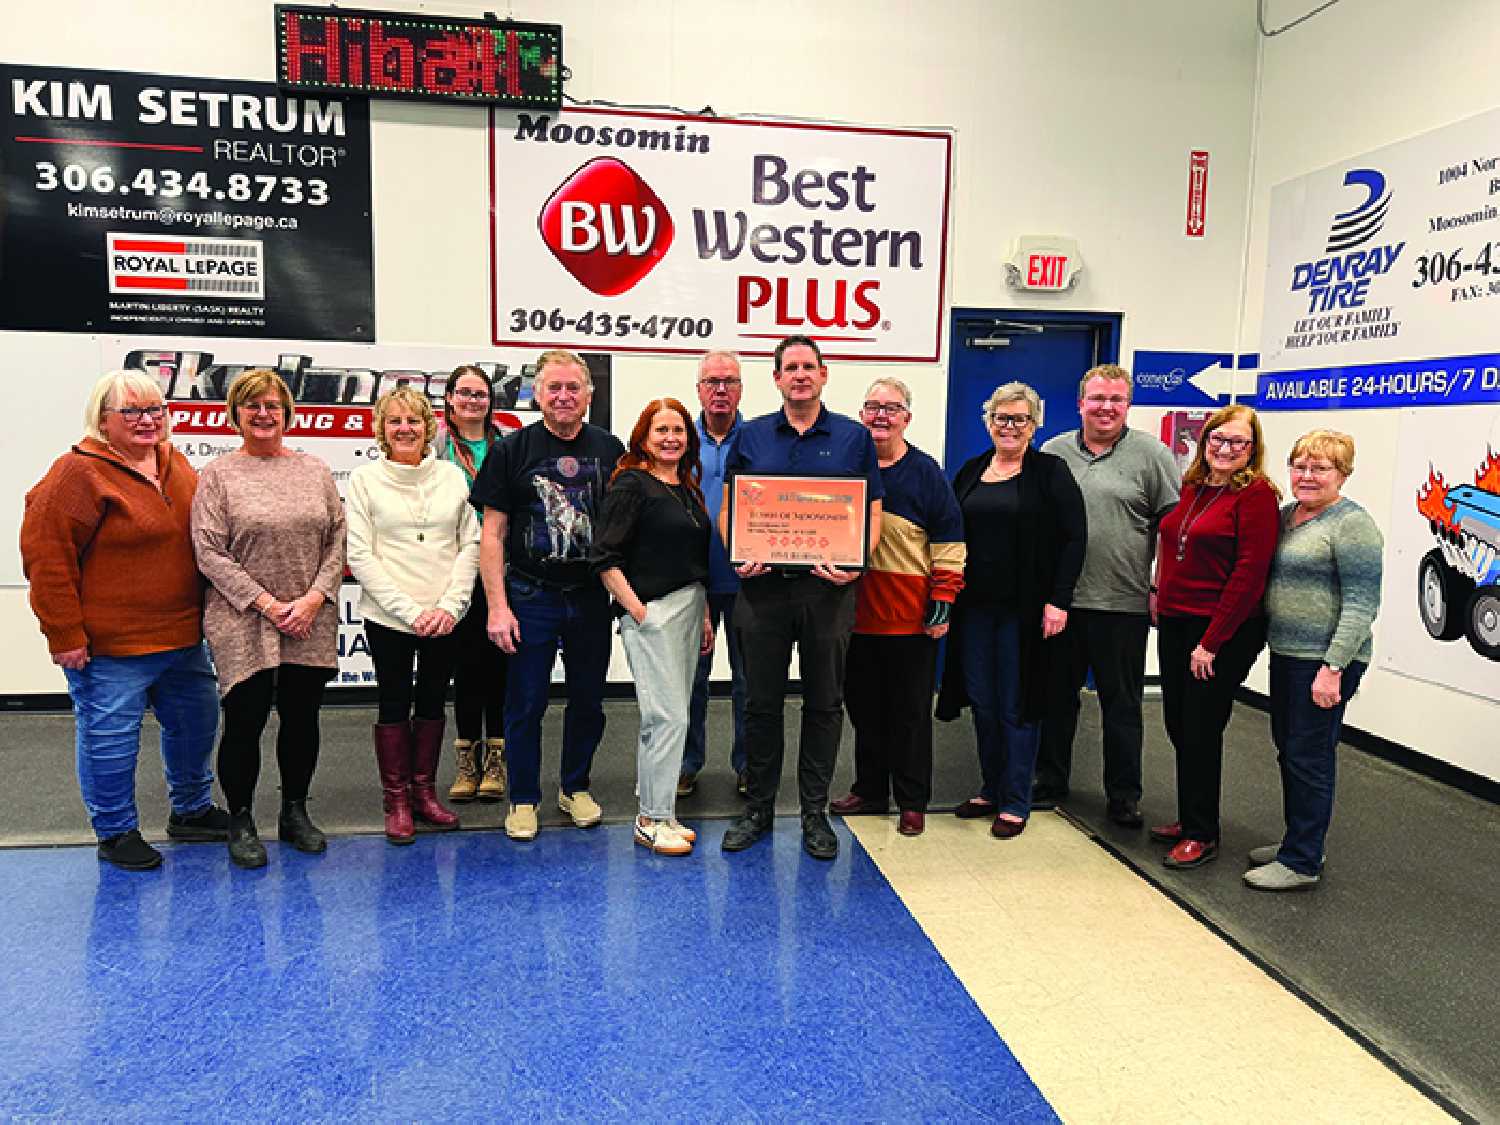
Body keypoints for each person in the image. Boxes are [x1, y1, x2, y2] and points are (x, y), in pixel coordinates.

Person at [20, 369, 227, 871]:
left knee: (197, 725)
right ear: (103, 420)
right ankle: (115, 831)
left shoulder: (174, 463)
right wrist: (64, 634)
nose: (146, 420)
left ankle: (192, 810)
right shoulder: (77, 473)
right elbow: (47, 558)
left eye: (155, 409)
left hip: (182, 637)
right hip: (111, 647)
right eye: (131, 412)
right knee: (109, 741)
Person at [719, 335, 885, 860]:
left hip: (827, 593)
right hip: (762, 591)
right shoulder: (751, 436)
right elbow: (730, 508)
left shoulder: (854, 438)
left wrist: (855, 563)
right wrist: (736, 551)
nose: (799, 375)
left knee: (824, 704)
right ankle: (758, 809)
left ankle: (815, 813)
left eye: (808, 366)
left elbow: (873, 512)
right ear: (776, 378)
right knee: (760, 704)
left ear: (823, 374)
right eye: (790, 367)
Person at [191, 369, 346, 869]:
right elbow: (209, 553)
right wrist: (266, 603)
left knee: (302, 719)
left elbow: (337, 540)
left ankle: (294, 812)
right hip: (244, 617)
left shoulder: (315, 470)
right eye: (252, 405)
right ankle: (240, 818)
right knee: (244, 721)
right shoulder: (218, 475)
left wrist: (314, 598)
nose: (263, 414)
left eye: (273, 405)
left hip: (309, 616)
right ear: (235, 413)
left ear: (287, 413)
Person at [470, 350, 625, 841]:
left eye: (573, 388)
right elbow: (491, 534)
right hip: (530, 595)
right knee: (526, 702)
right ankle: (523, 797)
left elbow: (624, 527)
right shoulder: (511, 450)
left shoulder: (610, 449)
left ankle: (575, 786)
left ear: (588, 395)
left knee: (588, 701)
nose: (563, 396)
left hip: (588, 598)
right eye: (553, 387)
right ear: (537, 394)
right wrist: (497, 606)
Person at [937, 383, 1087, 839]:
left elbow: (1074, 538)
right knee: (983, 702)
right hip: (974, 609)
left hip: (1026, 612)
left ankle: (1017, 800)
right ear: (988, 422)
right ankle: (991, 787)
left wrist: (1059, 600)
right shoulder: (971, 470)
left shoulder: (1050, 472)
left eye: (1020, 419)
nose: (1010, 426)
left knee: (1018, 705)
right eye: (1002, 418)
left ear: (1035, 424)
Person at [1038, 364, 1181, 826]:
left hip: (1124, 603)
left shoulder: (1152, 455)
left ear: (1127, 405)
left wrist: (1159, 585)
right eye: (1097, 398)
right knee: (1057, 700)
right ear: (1080, 402)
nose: (1106, 407)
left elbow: (1174, 528)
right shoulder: (1054, 451)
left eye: (1116, 399)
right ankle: (1050, 778)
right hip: (1063, 603)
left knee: (1122, 705)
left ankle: (1123, 794)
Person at [830, 378, 965, 837]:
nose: (880, 416)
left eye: (891, 408)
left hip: (910, 619)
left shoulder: (926, 472)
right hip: (853, 616)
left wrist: (943, 601)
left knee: (908, 715)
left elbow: (949, 540)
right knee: (864, 710)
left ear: (907, 417)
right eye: (871, 407)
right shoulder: (846, 467)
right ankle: (869, 789)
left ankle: (912, 800)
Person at [347, 386, 481, 845]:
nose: (405, 429)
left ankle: (424, 794)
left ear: (429, 428)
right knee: (393, 702)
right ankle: (397, 801)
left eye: (414, 421)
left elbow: (471, 544)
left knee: (431, 703)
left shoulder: (450, 476)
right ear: (381, 428)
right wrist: (410, 611)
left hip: (445, 616)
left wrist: (449, 606)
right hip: (389, 618)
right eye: (394, 421)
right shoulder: (365, 480)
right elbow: (360, 555)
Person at [1249, 430, 1382, 891]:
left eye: (1320, 468)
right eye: (1300, 466)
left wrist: (1333, 668)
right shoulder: (1287, 517)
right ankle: (1299, 840)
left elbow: (1362, 604)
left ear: (1342, 474)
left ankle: (1303, 861)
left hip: (1325, 661)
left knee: (1309, 756)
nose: (1307, 476)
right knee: (1291, 751)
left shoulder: (1352, 525)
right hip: (1288, 654)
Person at [1150, 403, 1279, 869]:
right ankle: (1189, 817)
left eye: (1237, 442)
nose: (1225, 449)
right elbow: (1173, 543)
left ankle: (1202, 834)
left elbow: (1249, 575)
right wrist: (1156, 591)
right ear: (1204, 442)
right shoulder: (1194, 486)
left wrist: (1212, 641)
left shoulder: (1257, 496)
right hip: (1178, 620)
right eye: (1217, 439)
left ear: (1252, 449)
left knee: (1202, 728)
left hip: (1222, 629)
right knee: (1179, 724)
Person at [594, 399, 715, 855]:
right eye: (661, 430)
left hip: (689, 609)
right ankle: (652, 818)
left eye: (679, 430)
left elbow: (691, 560)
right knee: (669, 717)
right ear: (643, 436)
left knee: (665, 718)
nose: (671, 438)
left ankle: (657, 811)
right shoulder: (632, 484)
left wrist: (702, 613)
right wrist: (638, 612)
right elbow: (604, 556)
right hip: (654, 613)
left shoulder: (685, 487)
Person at [437, 365, 510, 804]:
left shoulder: (507, 444)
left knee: (498, 666)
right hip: (454, 570)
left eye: (480, 394)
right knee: (465, 668)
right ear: (448, 398)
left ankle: (497, 759)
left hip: (502, 570)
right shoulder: (435, 447)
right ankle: (467, 759)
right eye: (463, 393)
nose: (472, 401)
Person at [680, 351, 748, 799]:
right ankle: (686, 764)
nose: (720, 389)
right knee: (690, 680)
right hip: (691, 580)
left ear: (741, 388)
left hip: (749, 580)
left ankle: (748, 767)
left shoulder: (762, 438)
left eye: (729, 381)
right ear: (699, 389)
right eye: (711, 382)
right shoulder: (679, 440)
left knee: (751, 683)